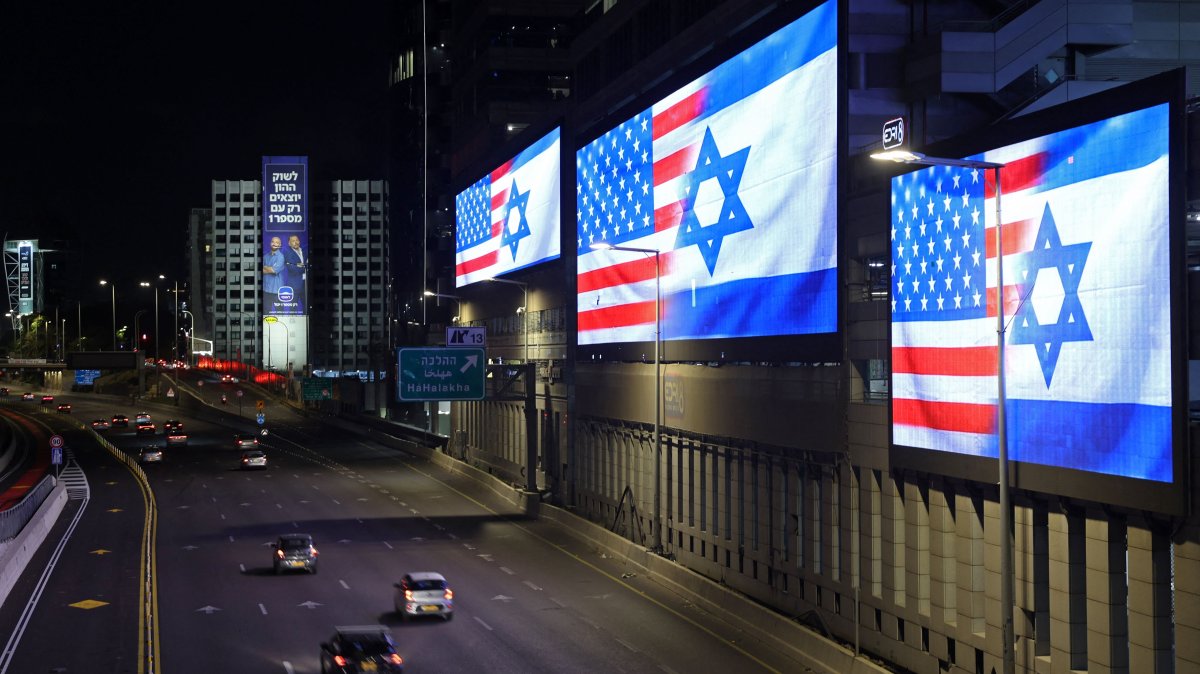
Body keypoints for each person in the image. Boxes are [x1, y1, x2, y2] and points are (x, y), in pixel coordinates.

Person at [283, 234, 307, 310]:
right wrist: (305, 267)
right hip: (294, 284)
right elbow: (292, 268)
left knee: (306, 306)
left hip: (306, 284)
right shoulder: (287, 252)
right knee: (293, 307)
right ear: (289, 243)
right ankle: (292, 321)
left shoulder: (304, 251)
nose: (296, 242)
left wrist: (299, 265)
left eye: (297, 240)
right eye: (293, 241)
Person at [263, 236, 285, 311]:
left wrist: (266, 267)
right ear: (270, 243)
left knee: (280, 312)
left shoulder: (281, 257)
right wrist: (269, 268)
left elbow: (273, 270)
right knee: (266, 312)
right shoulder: (265, 256)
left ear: (280, 245)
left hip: (277, 290)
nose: (274, 243)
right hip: (266, 289)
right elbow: (261, 270)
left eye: (277, 242)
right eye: (273, 242)